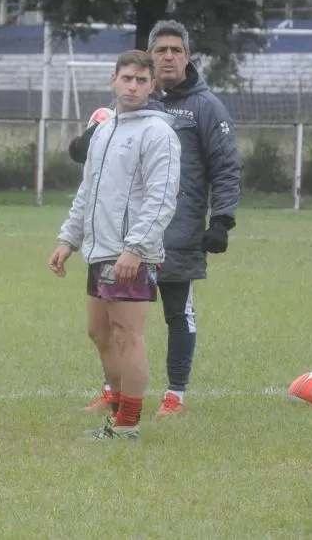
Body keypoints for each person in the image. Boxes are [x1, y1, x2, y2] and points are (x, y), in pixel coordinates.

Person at [69, 21, 242, 416]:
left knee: (176, 312)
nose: (168, 56)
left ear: (187, 56)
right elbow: (96, 159)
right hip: (123, 236)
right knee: (115, 321)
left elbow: (226, 167)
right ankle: (115, 392)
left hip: (179, 232)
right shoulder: (133, 100)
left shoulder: (205, 106)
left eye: (175, 50)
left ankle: (175, 394)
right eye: (160, 49)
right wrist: (85, 142)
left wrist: (222, 220)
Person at [50, 50, 181, 440]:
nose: (133, 86)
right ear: (114, 79)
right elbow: (87, 191)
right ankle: (118, 408)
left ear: (153, 85)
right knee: (100, 332)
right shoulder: (104, 130)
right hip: (99, 250)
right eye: (127, 78)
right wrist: (68, 239)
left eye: (142, 80)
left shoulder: (159, 134)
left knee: (128, 336)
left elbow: (161, 198)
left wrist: (136, 248)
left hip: (130, 254)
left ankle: (127, 424)